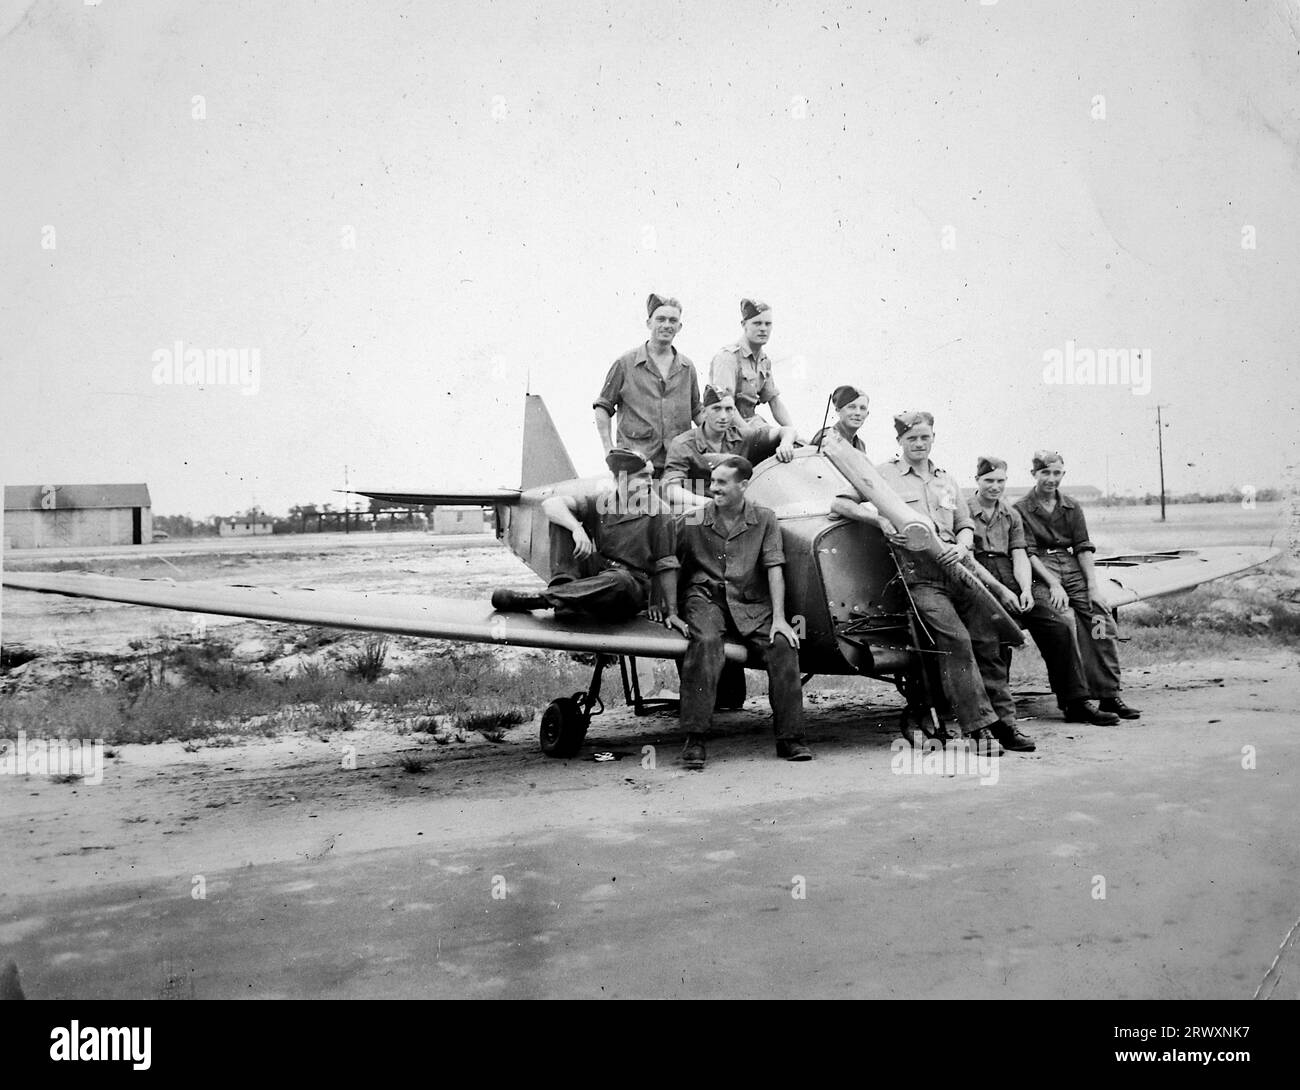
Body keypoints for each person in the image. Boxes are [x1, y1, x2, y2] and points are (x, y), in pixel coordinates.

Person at [831, 411, 1023, 753]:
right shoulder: (883, 475)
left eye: (924, 437)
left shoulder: (945, 479)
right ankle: (978, 730)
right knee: (957, 641)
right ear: (900, 442)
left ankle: (1006, 725)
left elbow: (964, 523)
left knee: (987, 641)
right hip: (921, 578)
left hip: (958, 570)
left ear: (933, 438)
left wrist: (962, 545)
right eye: (911, 439)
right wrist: (879, 521)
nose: (918, 444)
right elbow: (840, 502)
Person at [656, 456, 812, 769]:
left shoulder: (765, 518)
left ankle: (790, 738)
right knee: (706, 643)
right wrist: (668, 606)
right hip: (705, 599)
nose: (714, 488)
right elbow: (667, 560)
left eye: (722, 483)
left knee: (783, 646)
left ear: (743, 485)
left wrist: (780, 619)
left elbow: (774, 568)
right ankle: (695, 737)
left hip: (750, 604)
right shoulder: (693, 519)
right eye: (712, 482)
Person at [969, 456, 1118, 731]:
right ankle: (994, 712)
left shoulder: (1015, 513)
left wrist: (1025, 589)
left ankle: (1085, 699)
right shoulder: (967, 511)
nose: (995, 486)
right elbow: (971, 560)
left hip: (1025, 576)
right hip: (984, 582)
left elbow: (1020, 554)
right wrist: (1008, 591)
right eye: (989, 480)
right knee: (995, 636)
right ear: (976, 481)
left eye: (1000, 481)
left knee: (1070, 624)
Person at [1015, 451, 1141, 719]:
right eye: (1045, 473)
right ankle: (1075, 701)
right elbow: (1029, 552)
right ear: (1034, 474)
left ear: (1063, 474)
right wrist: (1052, 584)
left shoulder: (1071, 507)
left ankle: (1108, 695)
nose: (1051, 479)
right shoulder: (1021, 509)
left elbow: (1083, 548)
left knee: (1098, 620)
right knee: (1060, 623)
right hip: (1040, 572)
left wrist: (1092, 587)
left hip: (1070, 567)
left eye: (1056, 473)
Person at [491, 449, 667, 621]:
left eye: (651, 476)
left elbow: (665, 560)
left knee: (620, 581)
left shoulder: (659, 511)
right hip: (603, 571)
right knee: (562, 519)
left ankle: (544, 599)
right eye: (643, 477)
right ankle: (564, 588)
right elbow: (551, 504)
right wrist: (576, 528)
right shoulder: (603, 502)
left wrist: (659, 601)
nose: (650, 482)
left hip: (632, 585)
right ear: (621, 480)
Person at [594, 294, 702, 474]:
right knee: (638, 503)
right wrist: (608, 450)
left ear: (679, 326)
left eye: (672, 320)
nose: (666, 325)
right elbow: (602, 407)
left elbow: (697, 410)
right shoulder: (625, 363)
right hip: (635, 464)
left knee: (682, 502)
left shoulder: (687, 367)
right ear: (649, 323)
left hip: (677, 463)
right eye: (660, 319)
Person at [661, 385, 796, 511]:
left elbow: (786, 430)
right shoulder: (683, 444)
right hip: (701, 511)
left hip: (735, 511)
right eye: (716, 409)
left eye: (729, 409)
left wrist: (786, 444)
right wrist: (707, 503)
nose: (723, 416)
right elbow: (672, 490)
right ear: (704, 411)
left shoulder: (742, 436)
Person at [708, 299, 796, 435]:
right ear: (744, 325)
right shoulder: (728, 358)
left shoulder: (763, 361)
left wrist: (792, 432)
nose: (763, 328)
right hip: (729, 432)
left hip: (752, 425)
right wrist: (754, 439)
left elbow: (774, 401)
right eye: (757, 323)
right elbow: (725, 407)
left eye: (768, 324)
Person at [811, 385, 870, 452]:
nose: (858, 413)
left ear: (867, 414)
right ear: (838, 410)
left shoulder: (860, 445)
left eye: (863, 408)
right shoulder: (826, 437)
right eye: (851, 407)